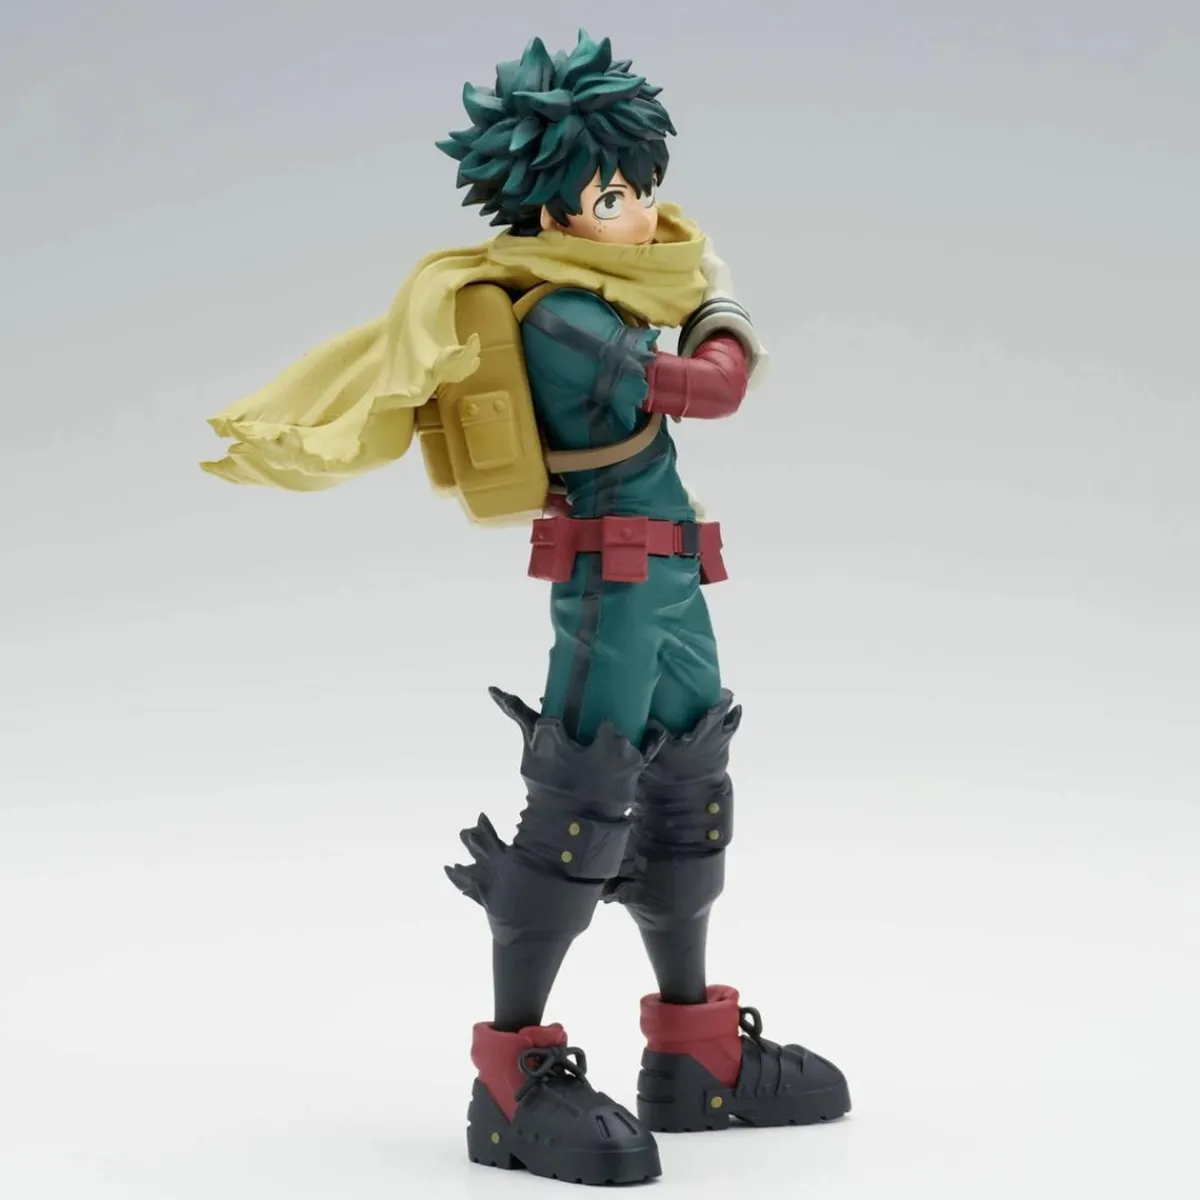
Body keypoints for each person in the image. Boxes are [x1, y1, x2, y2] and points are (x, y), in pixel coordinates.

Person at [203, 29, 849, 1189]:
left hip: (672, 571)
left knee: (689, 783)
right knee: (583, 797)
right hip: (611, 575)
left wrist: (698, 293)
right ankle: (513, 1077)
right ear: (553, 215)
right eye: (611, 198)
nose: (638, 216)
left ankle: (695, 1053)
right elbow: (714, 390)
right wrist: (721, 305)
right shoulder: (564, 318)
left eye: (639, 188)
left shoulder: (620, 288)